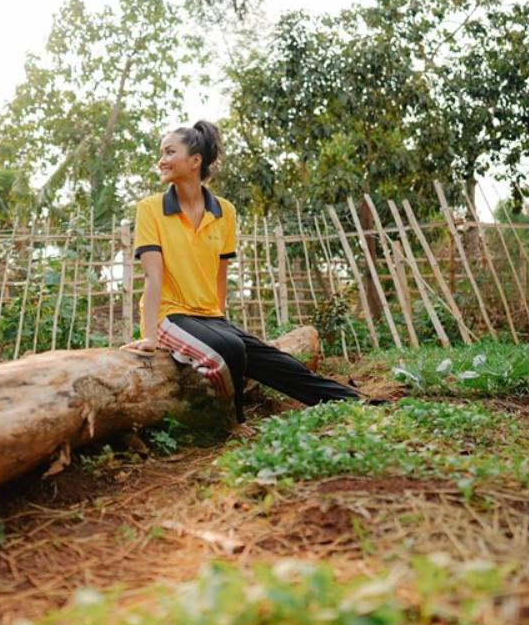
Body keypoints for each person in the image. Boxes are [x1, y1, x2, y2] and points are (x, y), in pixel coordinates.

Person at [120, 120, 363, 433]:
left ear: (195, 162)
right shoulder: (150, 209)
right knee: (230, 350)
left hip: (209, 316)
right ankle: (231, 423)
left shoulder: (224, 211)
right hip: (169, 316)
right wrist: (151, 335)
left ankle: (354, 400)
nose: (161, 160)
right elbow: (153, 278)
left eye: (170, 152)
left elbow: (220, 276)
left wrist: (220, 320)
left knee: (277, 361)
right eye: (161, 153)